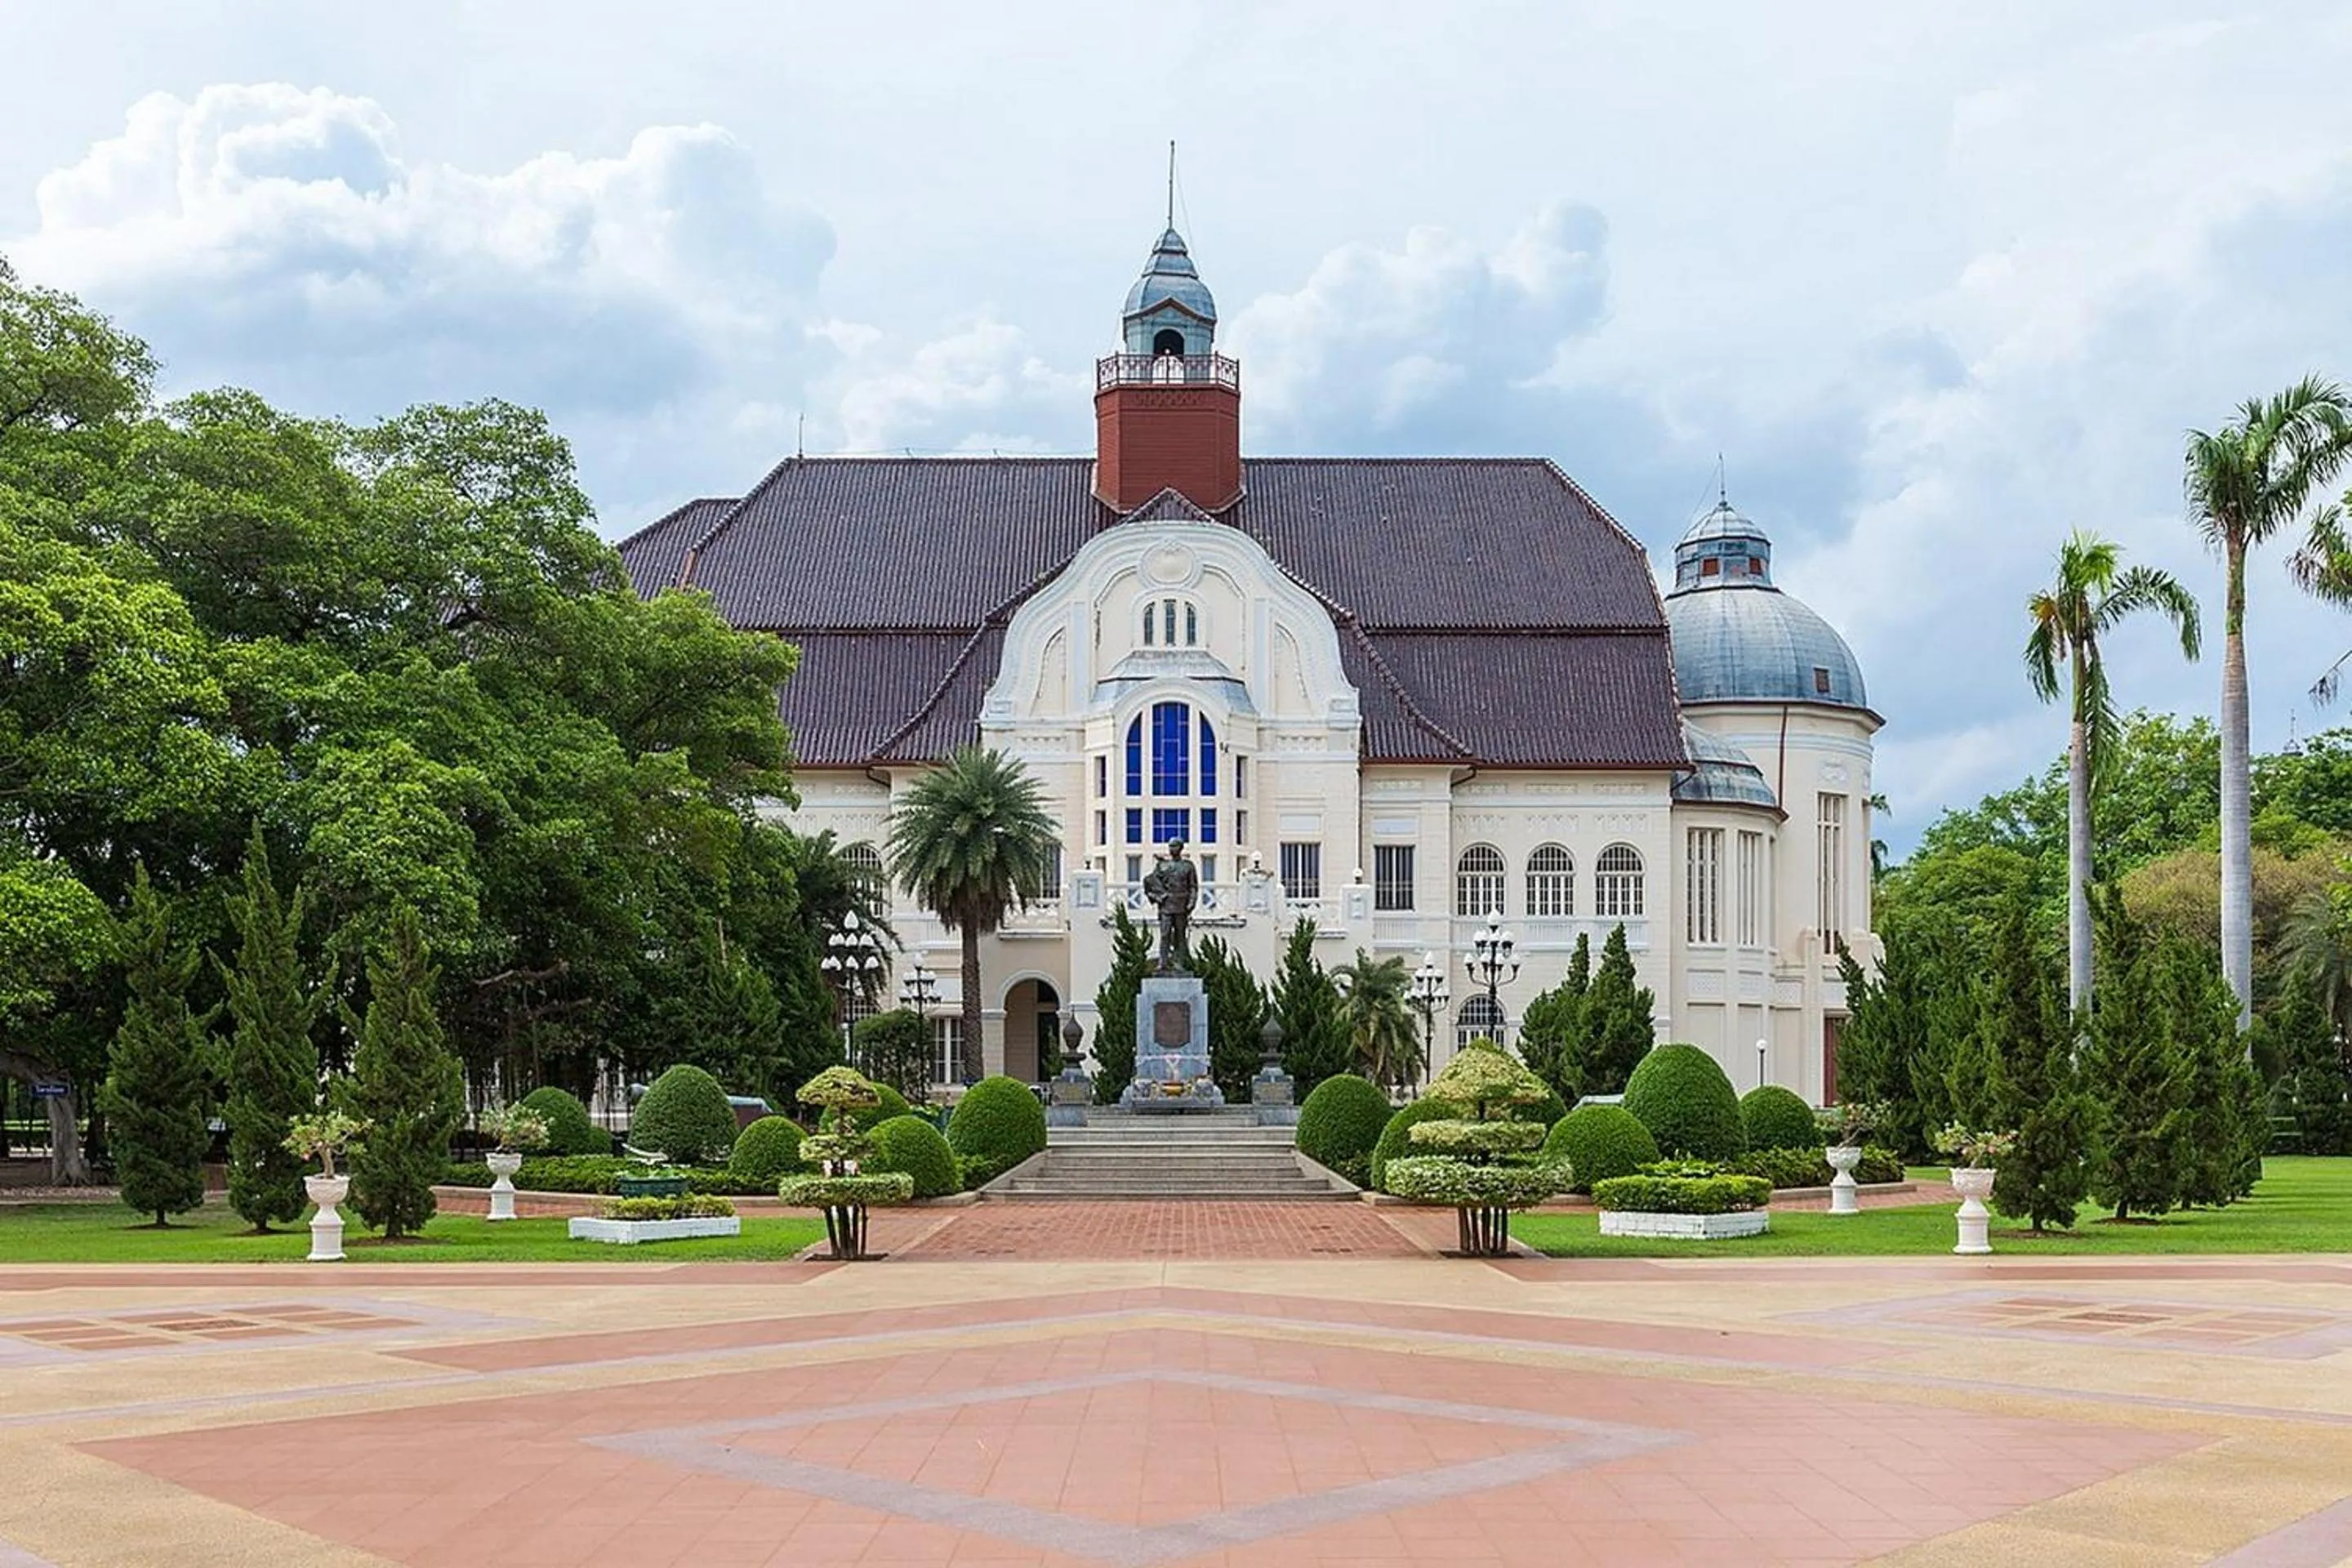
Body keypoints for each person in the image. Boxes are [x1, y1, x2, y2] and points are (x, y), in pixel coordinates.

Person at [1140, 840, 1199, 974]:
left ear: (1181, 848)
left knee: (1180, 936)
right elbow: (1151, 882)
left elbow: (1193, 887)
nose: (1172, 849)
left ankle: (1180, 963)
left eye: (1175, 846)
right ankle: (1163, 963)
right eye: (1170, 846)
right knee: (1165, 934)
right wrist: (1156, 896)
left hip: (1181, 905)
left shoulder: (1188, 866)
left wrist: (1192, 902)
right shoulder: (1163, 866)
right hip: (1166, 905)